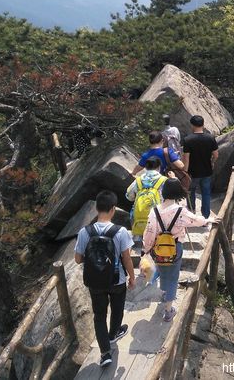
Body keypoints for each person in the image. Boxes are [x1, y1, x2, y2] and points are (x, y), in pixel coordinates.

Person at [143, 178, 220, 321]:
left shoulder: (154, 212)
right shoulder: (180, 211)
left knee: (162, 269)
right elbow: (196, 220)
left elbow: (149, 234)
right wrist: (208, 220)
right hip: (175, 248)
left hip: (158, 248)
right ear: (178, 192)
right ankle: (168, 310)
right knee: (173, 277)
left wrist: (147, 249)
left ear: (164, 192)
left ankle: (164, 292)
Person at [74, 190, 135, 367]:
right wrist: (132, 277)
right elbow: (127, 258)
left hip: (95, 282)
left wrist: (95, 262)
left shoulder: (85, 232)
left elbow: (78, 259)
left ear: (96, 208)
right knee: (117, 310)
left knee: (99, 316)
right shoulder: (121, 231)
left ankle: (105, 353)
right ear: (113, 209)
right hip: (117, 280)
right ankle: (113, 334)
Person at [182, 115, 219, 218]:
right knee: (206, 194)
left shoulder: (188, 140)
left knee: (190, 193)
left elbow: (186, 158)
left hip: (192, 173)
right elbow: (216, 155)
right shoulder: (210, 138)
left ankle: (192, 214)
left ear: (192, 125)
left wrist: (185, 172)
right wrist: (212, 162)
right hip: (207, 172)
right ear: (203, 124)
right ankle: (205, 217)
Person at [126, 157, 168, 241]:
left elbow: (129, 196)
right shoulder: (164, 180)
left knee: (138, 236)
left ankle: (138, 245)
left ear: (145, 167)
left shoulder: (138, 180)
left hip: (139, 215)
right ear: (159, 167)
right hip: (159, 215)